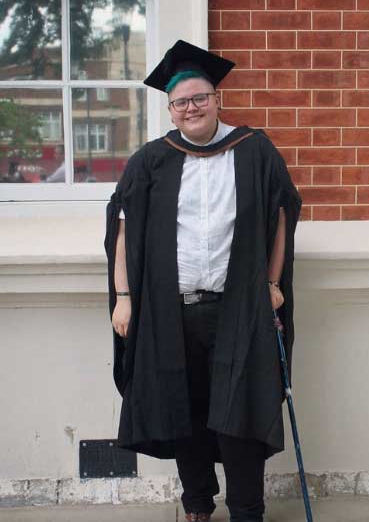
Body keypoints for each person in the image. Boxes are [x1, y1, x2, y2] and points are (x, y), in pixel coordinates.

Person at [105, 40, 301, 522]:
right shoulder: (152, 161)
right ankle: (196, 503)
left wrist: (274, 283)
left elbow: (281, 217)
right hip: (170, 310)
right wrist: (125, 298)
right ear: (171, 111)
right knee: (182, 409)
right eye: (181, 102)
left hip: (238, 307)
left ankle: (247, 510)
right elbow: (122, 229)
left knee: (241, 414)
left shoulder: (253, 150)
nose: (191, 108)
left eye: (200, 97)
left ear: (218, 99)